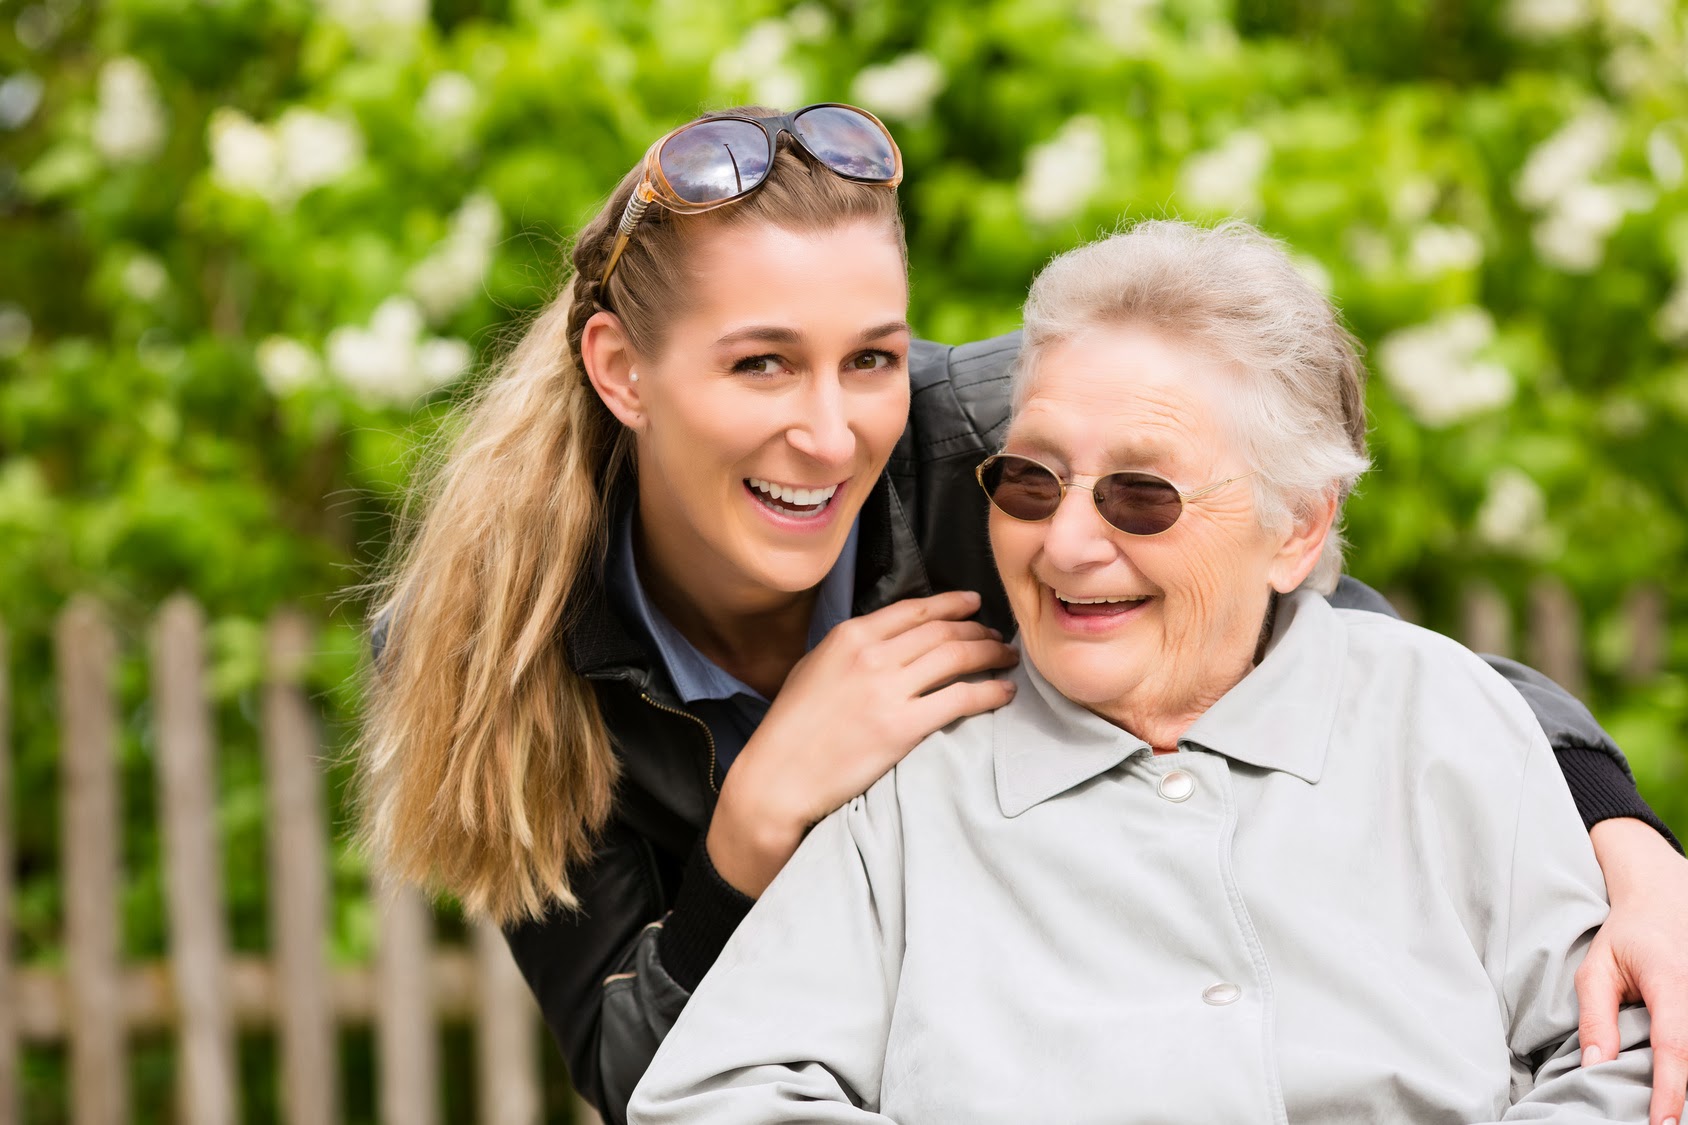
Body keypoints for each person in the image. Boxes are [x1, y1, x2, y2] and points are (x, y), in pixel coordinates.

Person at [357, 106, 1688, 1125]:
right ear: (621, 370)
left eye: (871, 357)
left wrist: (1628, 848)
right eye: (761, 362)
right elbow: (646, 1074)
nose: (829, 432)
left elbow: (1329, 639)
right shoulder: (491, 642)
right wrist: (755, 827)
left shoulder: (998, 430)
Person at [627, 219, 1656, 1124]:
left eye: (1139, 494)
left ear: (1295, 528)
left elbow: (1625, 1062)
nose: (1064, 545)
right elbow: (718, 1096)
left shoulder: (1441, 723)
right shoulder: (906, 786)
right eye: (1029, 482)